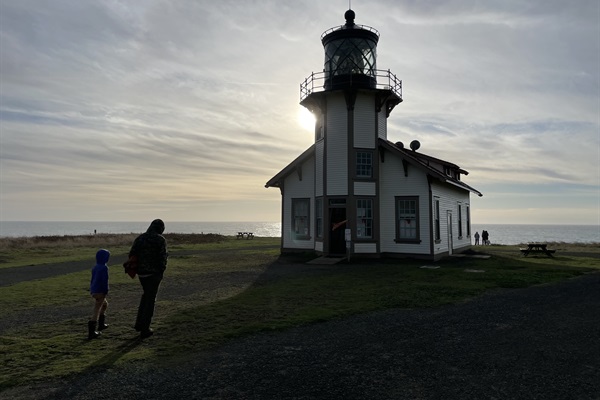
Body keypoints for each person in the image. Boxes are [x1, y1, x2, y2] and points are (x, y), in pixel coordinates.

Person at [129, 219, 168, 339]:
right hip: (154, 274)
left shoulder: (140, 238)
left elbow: (132, 254)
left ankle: (139, 324)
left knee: (146, 296)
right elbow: (162, 257)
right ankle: (145, 328)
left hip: (141, 274)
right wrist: (161, 271)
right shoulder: (160, 239)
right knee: (150, 300)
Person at [88, 248, 110, 339]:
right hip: (100, 291)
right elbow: (105, 281)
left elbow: (92, 279)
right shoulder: (104, 268)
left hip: (94, 290)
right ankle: (92, 331)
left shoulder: (95, 267)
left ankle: (101, 324)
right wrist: (106, 290)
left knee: (105, 305)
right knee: (96, 310)